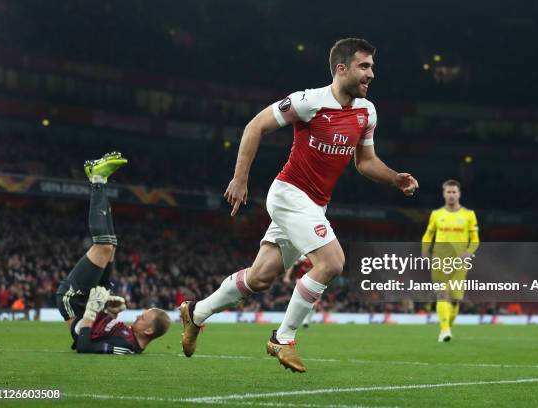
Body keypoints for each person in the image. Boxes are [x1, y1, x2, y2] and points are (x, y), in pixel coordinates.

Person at [179, 38, 418, 373]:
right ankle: (283, 337)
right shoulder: (308, 102)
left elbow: (365, 162)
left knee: (261, 277)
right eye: (364, 66)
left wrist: (394, 178)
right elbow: (255, 127)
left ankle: (196, 312)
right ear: (341, 68)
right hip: (289, 194)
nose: (371, 74)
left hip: (314, 205)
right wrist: (240, 178)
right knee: (332, 262)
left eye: (372, 67)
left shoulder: (367, 112)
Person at [55, 152, 171, 354]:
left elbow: (84, 347)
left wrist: (92, 310)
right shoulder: (131, 335)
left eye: (142, 318)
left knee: (104, 247)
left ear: (149, 330)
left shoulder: (127, 348)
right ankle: (101, 179)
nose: (136, 317)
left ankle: (97, 179)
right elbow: (104, 330)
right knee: (112, 247)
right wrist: (111, 311)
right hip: (93, 304)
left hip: (75, 303)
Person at [421, 179, 480, 342]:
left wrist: (468, 252)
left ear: (459, 194)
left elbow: (475, 239)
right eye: (449, 192)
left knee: (455, 299)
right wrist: (425, 252)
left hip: (460, 261)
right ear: (444, 194)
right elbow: (428, 235)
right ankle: (445, 330)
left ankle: (448, 325)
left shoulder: (469, 215)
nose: (451, 195)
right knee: (442, 294)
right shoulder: (436, 214)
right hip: (439, 259)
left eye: (454, 192)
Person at [283, 256, 316, 328]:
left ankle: (306, 321)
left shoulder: (316, 256)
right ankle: (295, 321)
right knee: (302, 301)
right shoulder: (301, 257)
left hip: (313, 281)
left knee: (314, 303)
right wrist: (287, 276)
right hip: (301, 280)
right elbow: (292, 266)